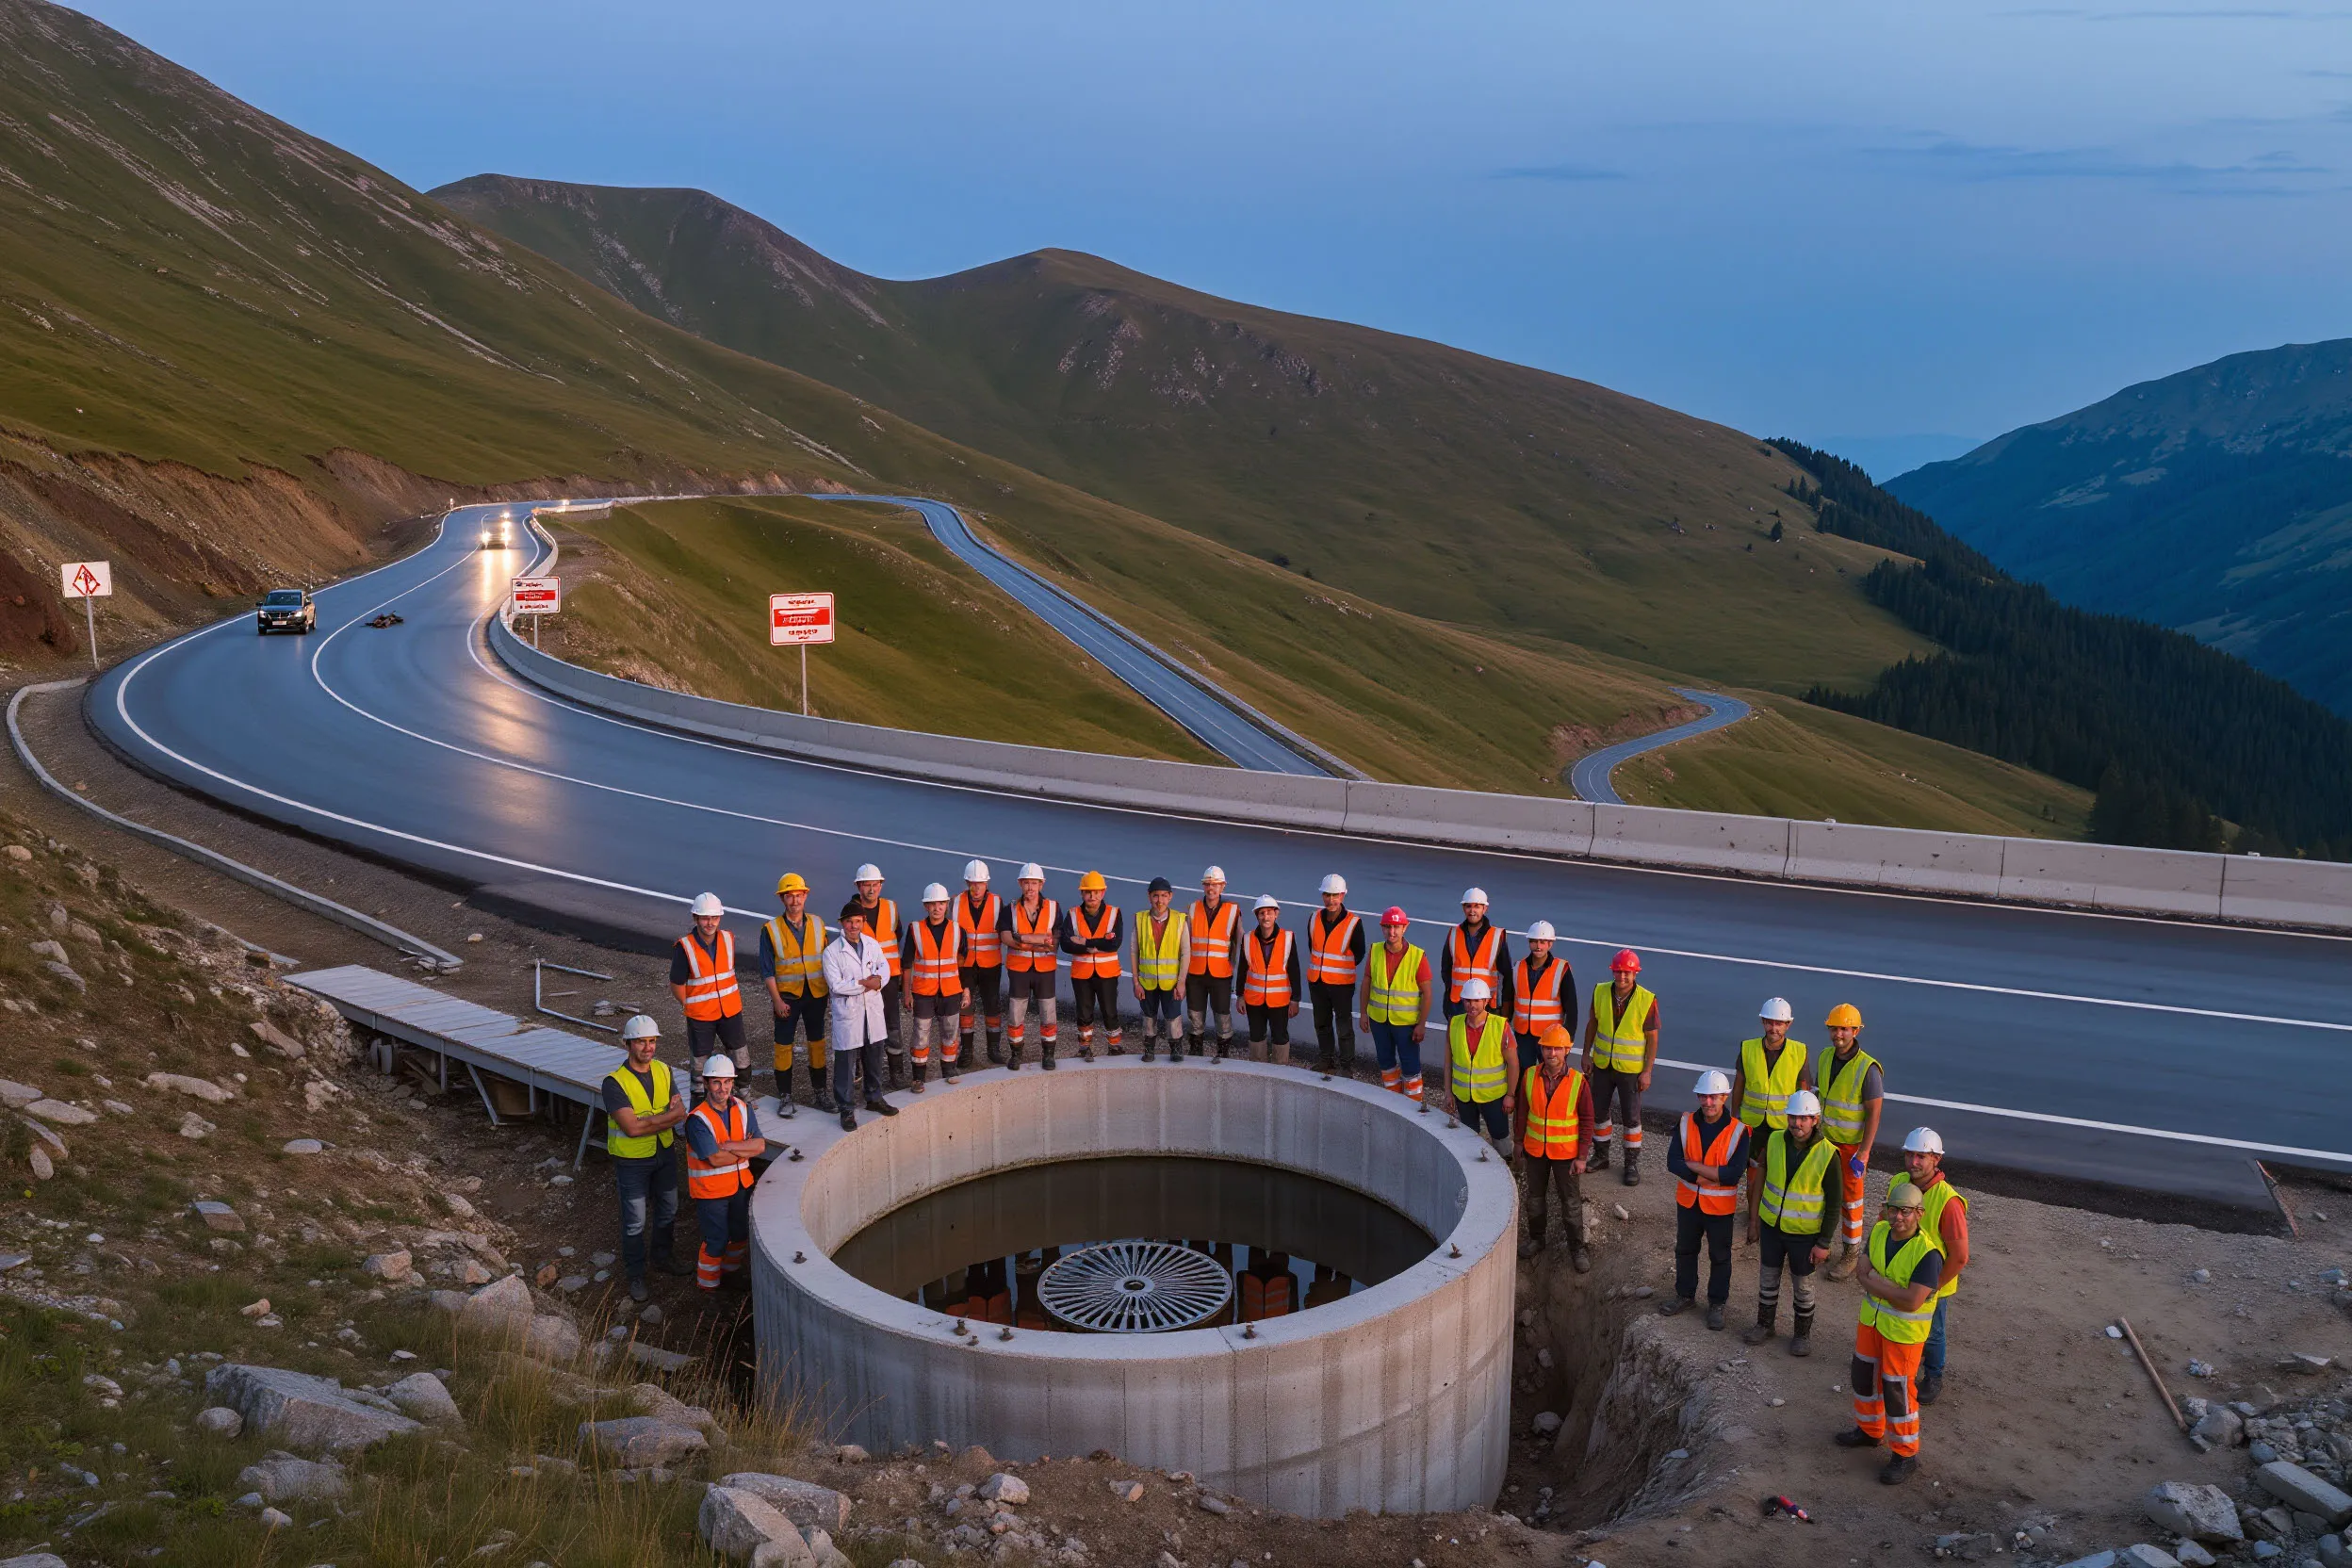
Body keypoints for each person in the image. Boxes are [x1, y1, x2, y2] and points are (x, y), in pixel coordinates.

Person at [1834, 1182, 1945, 1486]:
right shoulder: (1880, 1231)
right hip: (1872, 1322)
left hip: (1904, 1334)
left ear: (1919, 1214)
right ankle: (1870, 1432)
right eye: (1893, 1209)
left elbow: (1912, 1300)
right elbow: (1861, 1271)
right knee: (1863, 1375)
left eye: (1905, 1211)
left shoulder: (1928, 1254)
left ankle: (1906, 1454)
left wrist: (1876, 1285)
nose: (1898, 1217)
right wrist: (1890, 1290)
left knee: (1897, 1392)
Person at [601, 1014, 693, 1301]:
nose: (648, 1047)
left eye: (652, 1041)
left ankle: (663, 1257)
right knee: (634, 1221)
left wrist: (652, 1120)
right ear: (627, 1044)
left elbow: (681, 1112)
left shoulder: (665, 1071)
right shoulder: (614, 1083)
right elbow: (631, 1128)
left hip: (663, 1152)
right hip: (632, 1162)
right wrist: (667, 1116)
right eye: (641, 1041)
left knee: (669, 1208)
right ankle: (636, 1273)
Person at [1743, 1087, 1837, 1356]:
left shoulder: (1828, 1153)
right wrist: (1754, 1220)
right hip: (1772, 1227)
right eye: (1793, 1117)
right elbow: (1760, 1175)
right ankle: (1765, 1325)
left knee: (1803, 1287)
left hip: (1805, 1235)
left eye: (1804, 1118)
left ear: (1815, 1120)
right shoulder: (1773, 1140)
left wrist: (1824, 1243)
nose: (1797, 1123)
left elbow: (1833, 1204)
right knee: (1768, 1278)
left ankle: (1801, 1335)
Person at [1660, 1069, 1748, 1329]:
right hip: (1689, 1203)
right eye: (1704, 1097)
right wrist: (1710, 1175)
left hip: (1720, 1208)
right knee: (1685, 1250)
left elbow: (1733, 1175)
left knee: (1720, 1256)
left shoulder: (1739, 1131)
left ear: (1724, 1097)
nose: (1708, 1103)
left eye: (1714, 1097)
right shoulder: (1686, 1122)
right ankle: (1685, 1295)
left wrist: (1694, 1168)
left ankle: (1717, 1304)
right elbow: (1672, 1162)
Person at [1890, 1127, 1968, 1406]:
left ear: (1937, 1160)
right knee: (1901, 1323)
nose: (1913, 1162)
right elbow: (1886, 1220)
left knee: (1933, 1333)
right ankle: (1903, 1366)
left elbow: (1959, 1256)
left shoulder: (1948, 1202)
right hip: (1902, 1277)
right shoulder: (1899, 1182)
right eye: (1910, 1154)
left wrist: (1933, 1287)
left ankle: (1933, 1375)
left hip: (1934, 1284)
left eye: (1921, 1156)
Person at [1512, 1023, 1593, 1270]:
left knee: (1570, 1202)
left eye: (1557, 1048)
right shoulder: (1529, 1076)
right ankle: (1537, 1239)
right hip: (1535, 1150)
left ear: (1566, 1050)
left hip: (1566, 1156)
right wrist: (1518, 1142)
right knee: (1535, 1198)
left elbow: (1588, 1120)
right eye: (1548, 1048)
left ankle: (1577, 1249)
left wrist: (1581, 1156)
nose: (1552, 1053)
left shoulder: (1579, 1082)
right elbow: (1522, 1112)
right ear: (1542, 1049)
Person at [682, 1054, 764, 1294]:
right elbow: (715, 1159)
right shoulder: (697, 1120)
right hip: (711, 1193)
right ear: (707, 1083)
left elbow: (760, 1146)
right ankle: (708, 1289)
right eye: (717, 1082)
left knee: (739, 1235)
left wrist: (730, 1146)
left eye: (727, 1082)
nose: (723, 1088)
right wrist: (744, 1150)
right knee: (716, 1241)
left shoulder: (742, 1108)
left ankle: (730, 1274)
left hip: (740, 1187)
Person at [1731, 996, 1812, 1233]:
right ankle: (1754, 1219)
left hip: (1783, 1126)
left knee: (1780, 1173)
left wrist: (1802, 1126)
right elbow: (1739, 1084)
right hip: (1753, 1124)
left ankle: (1776, 1218)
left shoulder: (1799, 1052)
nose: (1773, 1028)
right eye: (1769, 1022)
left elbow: (1804, 1090)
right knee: (1754, 1173)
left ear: (1788, 1025)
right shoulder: (1747, 1048)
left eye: (1779, 1023)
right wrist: (1734, 1117)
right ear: (1762, 1022)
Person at [1817, 1004, 1885, 1282]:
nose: (1838, 1034)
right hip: (1823, 1143)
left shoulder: (1867, 1068)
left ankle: (1850, 1253)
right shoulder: (1824, 1057)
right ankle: (1819, 1244)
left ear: (1856, 1031)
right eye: (1834, 1028)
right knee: (1819, 1195)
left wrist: (1864, 1153)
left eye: (1844, 1029)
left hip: (1849, 1149)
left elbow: (1874, 1113)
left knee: (1851, 1203)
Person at [1582, 949, 1658, 1184]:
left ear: (1635, 974)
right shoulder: (1601, 991)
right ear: (1613, 971)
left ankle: (1631, 1165)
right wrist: (1586, 1054)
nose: (1622, 976)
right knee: (1599, 1113)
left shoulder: (1647, 999)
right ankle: (1601, 1156)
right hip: (1603, 1065)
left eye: (1627, 972)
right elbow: (1592, 1024)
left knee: (1631, 1119)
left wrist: (1647, 1071)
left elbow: (1652, 1037)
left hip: (1631, 1071)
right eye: (1618, 971)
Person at [822, 903, 899, 1129]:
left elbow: (883, 969)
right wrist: (867, 984)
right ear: (841, 923)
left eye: (857, 921)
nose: (853, 926)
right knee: (846, 1063)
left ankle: (874, 1098)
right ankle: (846, 1109)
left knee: (874, 1057)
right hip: (849, 1013)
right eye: (849, 921)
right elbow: (837, 985)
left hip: (871, 1011)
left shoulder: (872, 944)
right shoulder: (832, 952)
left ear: (863, 922)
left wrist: (877, 982)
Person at [759, 874, 825, 1112]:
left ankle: (820, 1093)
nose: (795, 900)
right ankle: (785, 1096)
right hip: (787, 997)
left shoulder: (817, 923)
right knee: (783, 1046)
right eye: (790, 896)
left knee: (817, 1044)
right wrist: (776, 1000)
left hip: (816, 995)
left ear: (805, 896)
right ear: (782, 899)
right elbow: (767, 969)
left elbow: (828, 959)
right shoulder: (771, 929)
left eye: (798, 895)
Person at [670, 892, 744, 1095]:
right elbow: (676, 983)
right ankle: (700, 1101)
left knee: (741, 1058)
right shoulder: (684, 947)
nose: (710, 923)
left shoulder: (728, 939)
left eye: (714, 917)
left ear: (719, 918)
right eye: (705, 918)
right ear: (696, 918)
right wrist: (689, 1004)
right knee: (700, 1066)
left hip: (730, 1011)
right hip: (700, 1015)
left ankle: (743, 1095)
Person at [1359, 906, 1432, 1099]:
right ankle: (1395, 1101)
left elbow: (1427, 993)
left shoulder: (1417, 956)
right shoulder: (1375, 950)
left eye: (1396, 927)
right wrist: (1363, 1013)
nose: (1392, 932)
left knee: (1410, 1065)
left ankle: (1415, 1105)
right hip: (1379, 1020)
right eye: (1388, 927)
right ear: (1382, 928)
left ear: (1405, 928)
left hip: (1406, 1024)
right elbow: (1367, 981)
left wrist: (1421, 1024)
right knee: (1385, 1062)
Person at [900, 883, 964, 1091]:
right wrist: (906, 993)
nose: (937, 908)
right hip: (923, 992)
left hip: (951, 991)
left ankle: (949, 1070)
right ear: (926, 907)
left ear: (947, 905)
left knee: (950, 1032)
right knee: (920, 1034)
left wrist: (966, 988)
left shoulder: (957, 930)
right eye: (932, 904)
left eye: (941, 903)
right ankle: (918, 1077)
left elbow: (963, 962)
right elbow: (907, 964)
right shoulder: (915, 929)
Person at [845, 864, 905, 1086]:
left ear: (881, 885)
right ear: (859, 886)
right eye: (867, 885)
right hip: (864, 980)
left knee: (891, 1023)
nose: (871, 889)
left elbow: (896, 934)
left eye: (875, 885)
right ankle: (861, 1069)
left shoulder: (891, 907)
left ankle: (896, 1071)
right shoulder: (851, 912)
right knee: (862, 1023)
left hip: (888, 979)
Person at [1443, 978, 1514, 1153]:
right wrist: (1448, 1092)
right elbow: (1448, 1062)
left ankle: (1509, 1166)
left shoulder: (1500, 1026)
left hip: (1493, 1096)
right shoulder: (1454, 1024)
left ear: (1486, 1001)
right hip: (1464, 1096)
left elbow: (1513, 1063)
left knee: (1500, 1137)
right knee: (1468, 1137)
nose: (1471, 1005)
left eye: (1476, 1000)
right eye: (1467, 1000)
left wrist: (1510, 1095)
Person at [1305, 874, 1366, 1075]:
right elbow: (1312, 946)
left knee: (1343, 1025)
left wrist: (1339, 969)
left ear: (1342, 895)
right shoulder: (1314, 918)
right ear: (1322, 895)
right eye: (1327, 895)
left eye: (1335, 895)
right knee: (1321, 1023)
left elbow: (1359, 952)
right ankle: (1326, 1060)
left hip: (1341, 985)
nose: (1331, 900)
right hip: (1317, 982)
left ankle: (1346, 1065)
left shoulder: (1353, 923)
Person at [1002, 863, 1061, 1069]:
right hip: (1019, 970)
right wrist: (1038, 942)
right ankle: (1016, 1054)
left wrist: (1024, 939)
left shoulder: (1054, 908)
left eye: (1034, 883)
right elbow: (1006, 937)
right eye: (1026, 883)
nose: (1030, 887)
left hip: (1044, 972)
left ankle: (1048, 1055)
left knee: (1048, 1013)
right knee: (1016, 1014)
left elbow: (1053, 942)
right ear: (1020, 884)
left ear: (1041, 884)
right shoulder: (1009, 909)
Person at [1060, 872, 1124, 1060]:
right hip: (1082, 974)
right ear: (1082, 894)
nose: (1092, 896)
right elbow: (1065, 944)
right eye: (1088, 892)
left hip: (1107, 973)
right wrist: (1097, 944)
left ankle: (1115, 1047)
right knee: (1084, 1012)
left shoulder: (1114, 913)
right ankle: (1084, 1048)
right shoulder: (1072, 914)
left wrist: (1084, 942)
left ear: (1103, 893)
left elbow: (1114, 943)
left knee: (1110, 1011)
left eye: (1096, 892)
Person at [1184, 866, 1242, 1061]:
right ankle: (1195, 1051)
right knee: (1195, 1014)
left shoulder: (1233, 910)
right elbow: (1185, 942)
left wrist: (1231, 965)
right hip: (1195, 973)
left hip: (1221, 974)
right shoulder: (1192, 909)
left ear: (1223, 887)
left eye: (1215, 884)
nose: (1211, 888)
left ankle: (1222, 1052)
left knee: (1222, 1015)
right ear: (1203, 886)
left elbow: (1238, 941)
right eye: (1208, 884)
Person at [1237, 894, 1302, 1065]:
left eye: (1269, 913)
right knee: (1256, 1036)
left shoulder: (1287, 938)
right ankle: (1258, 1071)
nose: (1266, 917)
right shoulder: (1247, 939)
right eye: (1261, 913)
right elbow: (1242, 969)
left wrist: (1295, 999)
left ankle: (1280, 1072)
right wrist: (1240, 996)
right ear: (1257, 916)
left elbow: (1294, 969)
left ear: (1276, 914)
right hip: (1254, 1000)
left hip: (1279, 1001)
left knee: (1280, 1036)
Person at [1132, 876, 1189, 1062]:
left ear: (1170, 897)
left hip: (1171, 982)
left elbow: (1185, 953)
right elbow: (1134, 952)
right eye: (1156, 896)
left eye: (1164, 896)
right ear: (1149, 896)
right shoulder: (1140, 919)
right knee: (1149, 1016)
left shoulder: (1180, 921)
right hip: (1147, 982)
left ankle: (1176, 1049)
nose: (1160, 900)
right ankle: (1149, 1050)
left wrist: (1181, 982)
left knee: (1173, 1017)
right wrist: (1136, 982)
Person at [956, 860, 1007, 1067]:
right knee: (966, 1007)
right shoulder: (956, 903)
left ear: (986, 884)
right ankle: (967, 1051)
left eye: (980, 883)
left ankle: (993, 1049)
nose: (976, 888)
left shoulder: (997, 902)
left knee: (992, 1006)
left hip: (990, 964)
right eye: (972, 883)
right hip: (966, 964)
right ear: (967, 882)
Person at [1510, 921, 1574, 1078]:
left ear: (1550, 944)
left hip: (1550, 1036)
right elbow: (1510, 1000)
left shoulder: (1561, 969)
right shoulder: (1518, 967)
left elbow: (1572, 1009)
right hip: (1523, 1034)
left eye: (1543, 942)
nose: (1538, 946)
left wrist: (1567, 1041)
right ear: (1529, 943)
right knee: (1523, 1074)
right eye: (1534, 941)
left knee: (1551, 1075)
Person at [1439, 888, 1512, 1022]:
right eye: (1468, 906)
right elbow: (1446, 969)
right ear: (1463, 908)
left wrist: (1504, 1009)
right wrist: (1450, 996)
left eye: (1477, 907)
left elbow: (1507, 974)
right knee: (1459, 1042)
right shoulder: (1454, 933)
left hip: (1486, 1004)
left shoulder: (1496, 936)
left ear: (1484, 909)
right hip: (1458, 1004)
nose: (1472, 911)